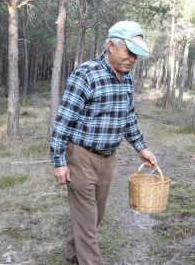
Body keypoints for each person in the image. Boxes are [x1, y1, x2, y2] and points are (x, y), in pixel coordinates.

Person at [50, 21, 158, 265]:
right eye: (128, 52)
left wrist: (141, 147)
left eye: (136, 55)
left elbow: (128, 116)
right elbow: (63, 121)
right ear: (111, 45)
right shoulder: (86, 74)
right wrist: (59, 162)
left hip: (108, 158)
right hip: (81, 156)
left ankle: (72, 255)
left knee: (96, 215)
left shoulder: (127, 78)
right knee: (88, 221)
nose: (132, 59)